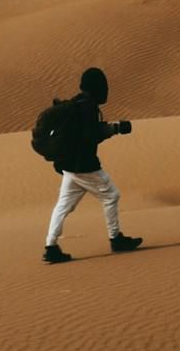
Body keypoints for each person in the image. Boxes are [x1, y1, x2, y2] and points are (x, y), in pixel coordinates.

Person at [35, 67, 143, 264]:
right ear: (97, 87)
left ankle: (51, 247)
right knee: (111, 196)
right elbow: (90, 135)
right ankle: (116, 238)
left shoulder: (77, 104)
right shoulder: (88, 107)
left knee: (63, 206)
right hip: (84, 166)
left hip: (69, 166)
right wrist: (114, 129)